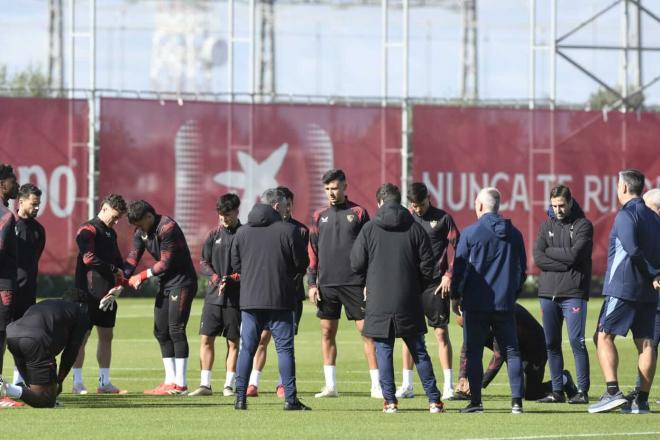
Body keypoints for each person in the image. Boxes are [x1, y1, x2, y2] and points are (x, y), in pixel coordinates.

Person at [350, 183, 444, 414]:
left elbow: (355, 263)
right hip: (408, 298)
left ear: (380, 202)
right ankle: (434, 401)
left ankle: (390, 401)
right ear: (400, 201)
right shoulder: (415, 228)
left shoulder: (370, 229)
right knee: (418, 350)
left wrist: (368, 281)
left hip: (378, 298)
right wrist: (414, 286)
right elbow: (429, 267)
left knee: (383, 349)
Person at [231, 188, 310, 411]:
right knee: (284, 350)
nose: (287, 209)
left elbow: (236, 266)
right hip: (280, 298)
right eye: (285, 206)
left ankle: (240, 398)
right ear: (276, 206)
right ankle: (290, 399)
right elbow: (301, 264)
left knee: (247, 348)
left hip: (250, 299)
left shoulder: (243, 232)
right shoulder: (288, 230)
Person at [588, 170, 659, 414]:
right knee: (646, 343)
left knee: (603, 336)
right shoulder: (654, 217)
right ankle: (642, 400)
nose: (617, 189)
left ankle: (612, 392)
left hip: (623, 286)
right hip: (649, 291)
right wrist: (655, 275)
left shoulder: (626, 215)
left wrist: (652, 272)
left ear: (625, 189)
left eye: (618, 185)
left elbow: (631, 249)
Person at [450, 187, 526, 414]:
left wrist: (456, 296)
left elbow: (460, 269)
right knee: (512, 351)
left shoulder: (471, 233)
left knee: (474, 352)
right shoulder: (515, 234)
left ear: (481, 206)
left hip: (476, 303)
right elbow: (522, 271)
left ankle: (476, 402)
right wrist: (512, 294)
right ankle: (516, 403)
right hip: (504, 302)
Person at [308, 169, 380, 398]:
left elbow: (370, 250)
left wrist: (369, 280)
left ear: (344, 186)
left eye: (335, 188)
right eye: (327, 189)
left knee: (367, 333)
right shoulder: (319, 215)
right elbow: (313, 252)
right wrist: (312, 283)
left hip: (354, 283)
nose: (331, 192)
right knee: (327, 332)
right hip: (327, 284)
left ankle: (377, 385)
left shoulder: (359, 213)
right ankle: (331, 386)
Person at [125, 200, 198, 395]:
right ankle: (169, 382)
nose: (138, 229)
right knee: (160, 331)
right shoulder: (141, 231)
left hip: (182, 282)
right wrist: (119, 280)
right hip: (166, 284)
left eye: (140, 224)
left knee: (176, 329)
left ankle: (181, 385)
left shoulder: (168, 227)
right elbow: (132, 258)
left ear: (149, 216)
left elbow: (165, 263)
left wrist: (140, 276)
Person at [396, 182, 459, 400]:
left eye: (420, 204)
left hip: (435, 285)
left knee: (441, 333)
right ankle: (407, 385)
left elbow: (459, 248)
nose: (417, 209)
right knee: (408, 335)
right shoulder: (406, 219)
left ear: (428, 198)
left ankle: (449, 386)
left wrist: (449, 275)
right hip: (410, 285)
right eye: (413, 205)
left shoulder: (443, 218)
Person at [533, 185, 592, 404]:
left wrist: (551, 255)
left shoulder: (583, 225)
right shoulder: (545, 226)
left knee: (577, 342)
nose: (557, 210)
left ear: (570, 202)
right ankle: (557, 391)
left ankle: (582, 392)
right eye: (554, 205)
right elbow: (538, 257)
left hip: (573, 293)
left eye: (561, 205)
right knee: (551, 343)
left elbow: (575, 256)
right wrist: (563, 262)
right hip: (547, 293)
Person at [455, 303, 577, 401]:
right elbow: (467, 348)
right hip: (514, 347)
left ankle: (564, 379)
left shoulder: (499, 315)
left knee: (530, 394)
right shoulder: (477, 316)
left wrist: (477, 385)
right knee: (521, 390)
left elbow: (498, 356)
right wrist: (462, 378)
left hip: (534, 349)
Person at [72, 193, 128, 395]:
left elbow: (119, 261)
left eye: (119, 217)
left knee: (106, 335)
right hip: (87, 293)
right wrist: (114, 270)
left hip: (107, 294)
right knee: (82, 337)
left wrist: (121, 282)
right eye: (114, 216)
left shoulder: (111, 233)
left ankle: (104, 382)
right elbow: (88, 258)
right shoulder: (88, 229)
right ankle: (77, 383)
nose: (116, 220)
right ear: (104, 208)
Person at [189, 193, 242, 397]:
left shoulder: (244, 234)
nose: (223, 219)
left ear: (237, 212)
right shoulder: (213, 235)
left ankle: (229, 385)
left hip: (235, 298)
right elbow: (203, 262)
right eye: (220, 215)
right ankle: (205, 385)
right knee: (206, 339)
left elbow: (250, 266)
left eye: (227, 215)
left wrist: (232, 279)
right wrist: (215, 278)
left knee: (233, 342)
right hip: (213, 298)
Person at [0, 289, 90, 408]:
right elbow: (71, 352)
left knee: (47, 396)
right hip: (35, 341)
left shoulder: (47, 303)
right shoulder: (80, 312)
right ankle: (5, 387)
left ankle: (12, 388)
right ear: (82, 305)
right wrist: (60, 380)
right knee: (46, 401)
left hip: (12, 335)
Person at [11, 183, 46, 387]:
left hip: (27, 293)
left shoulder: (38, 230)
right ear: (20, 201)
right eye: (33, 204)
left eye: (39, 204)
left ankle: (18, 381)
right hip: (6, 292)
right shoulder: (8, 223)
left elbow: (36, 256)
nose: (36, 208)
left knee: (22, 338)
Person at [0, 164, 20, 407]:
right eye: (13, 181)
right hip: (3, 285)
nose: (17, 185)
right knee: (1, 336)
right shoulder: (6, 215)